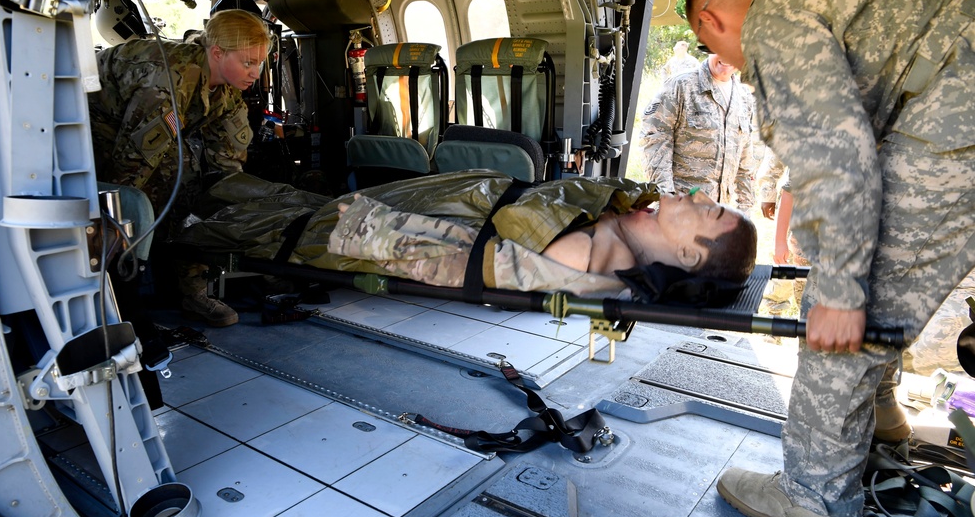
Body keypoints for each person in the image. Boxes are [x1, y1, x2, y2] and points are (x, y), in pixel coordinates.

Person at [686, 0, 975, 517]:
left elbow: (838, 163)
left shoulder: (773, 20)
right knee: (869, 272)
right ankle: (884, 417)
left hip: (960, 110)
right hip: (954, 88)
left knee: (839, 312)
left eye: (708, 45)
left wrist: (840, 292)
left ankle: (814, 495)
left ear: (712, 19)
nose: (723, 62)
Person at [179, 169, 758, 297]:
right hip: (445, 195)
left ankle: (182, 229)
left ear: (686, 253)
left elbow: (440, 256)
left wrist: (357, 230)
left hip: (404, 220)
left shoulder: (583, 255)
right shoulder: (631, 216)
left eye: (708, 212)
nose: (699, 197)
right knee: (272, 198)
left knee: (272, 223)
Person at [89, 9, 272, 327]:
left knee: (192, 188)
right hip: (94, 117)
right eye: (248, 62)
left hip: (138, 124)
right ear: (217, 53)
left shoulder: (228, 87)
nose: (256, 73)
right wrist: (129, 213)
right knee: (126, 200)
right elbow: (132, 162)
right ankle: (109, 298)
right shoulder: (170, 81)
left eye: (260, 62)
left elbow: (227, 163)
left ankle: (193, 292)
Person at [638, 53, 758, 211]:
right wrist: (667, 199)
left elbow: (744, 161)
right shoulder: (681, 85)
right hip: (682, 210)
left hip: (719, 214)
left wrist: (745, 208)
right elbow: (654, 140)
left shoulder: (743, 98)